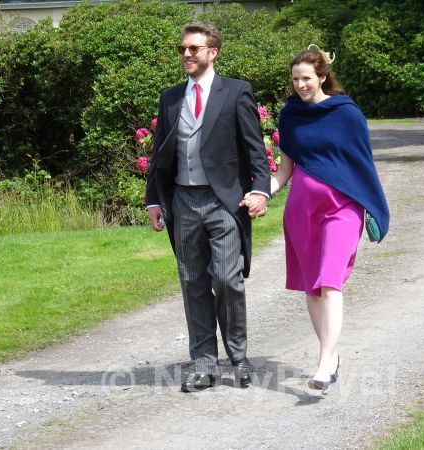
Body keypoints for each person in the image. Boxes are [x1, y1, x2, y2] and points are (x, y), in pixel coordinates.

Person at [145, 23, 271, 393]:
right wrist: (154, 199)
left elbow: (254, 149)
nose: (186, 54)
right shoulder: (170, 98)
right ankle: (203, 363)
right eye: (183, 49)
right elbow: (158, 155)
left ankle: (239, 356)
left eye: (194, 49)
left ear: (212, 52)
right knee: (192, 281)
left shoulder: (236, 92)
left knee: (227, 280)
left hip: (223, 200)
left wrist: (260, 191)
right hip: (183, 199)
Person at [266, 45, 389, 393]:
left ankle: (323, 361)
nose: (300, 85)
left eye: (306, 78)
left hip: (342, 208)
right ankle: (331, 357)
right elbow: (284, 170)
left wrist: (373, 204)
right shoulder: (289, 115)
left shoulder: (347, 113)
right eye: (295, 80)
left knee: (330, 280)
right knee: (313, 287)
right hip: (302, 210)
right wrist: (263, 192)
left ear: (322, 77)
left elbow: (362, 164)